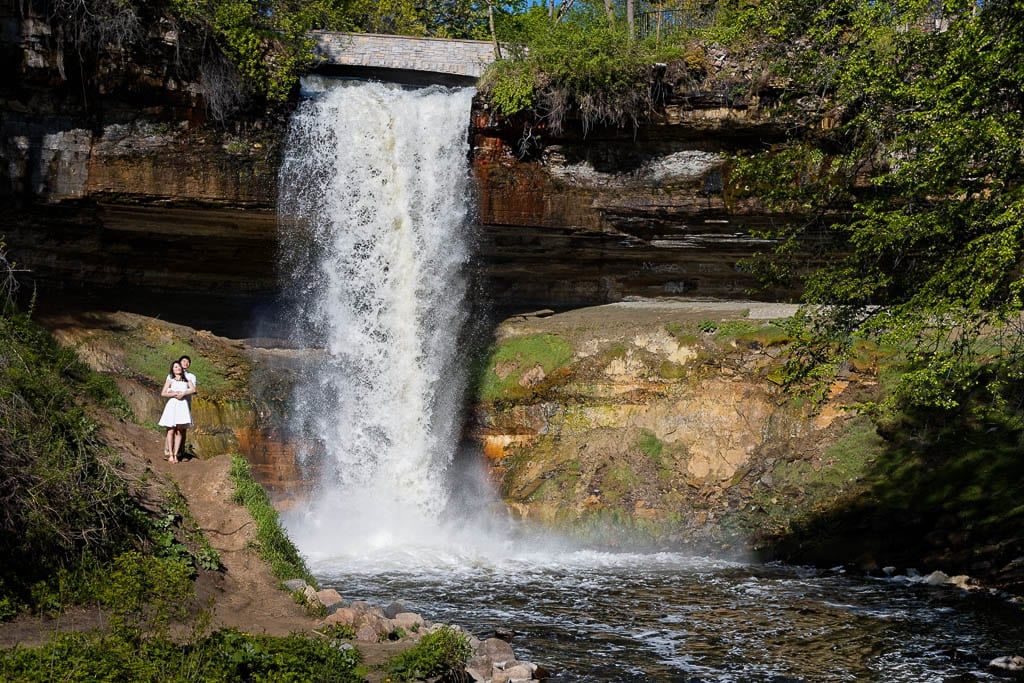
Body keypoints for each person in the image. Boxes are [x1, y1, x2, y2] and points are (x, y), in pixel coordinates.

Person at [159, 360, 194, 463]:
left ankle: (176, 454)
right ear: (172, 370)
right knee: (170, 430)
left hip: (182, 405)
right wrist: (174, 394)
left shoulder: (187, 379)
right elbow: (163, 393)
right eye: (175, 367)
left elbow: (193, 389)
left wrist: (183, 393)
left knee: (179, 430)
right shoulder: (170, 380)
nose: (178, 368)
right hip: (173, 405)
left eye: (179, 367)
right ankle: (170, 454)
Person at [177, 355, 197, 458]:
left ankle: (181, 450)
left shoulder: (191, 376)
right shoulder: (173, 375)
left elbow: (193, 390)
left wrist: (183, 393)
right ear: (179, 362)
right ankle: (171, 450)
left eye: (188, 362)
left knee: (183, 428)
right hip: (175, 403)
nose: (186, 363)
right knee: (172, 426)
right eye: (184, 361)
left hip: (185, 404)